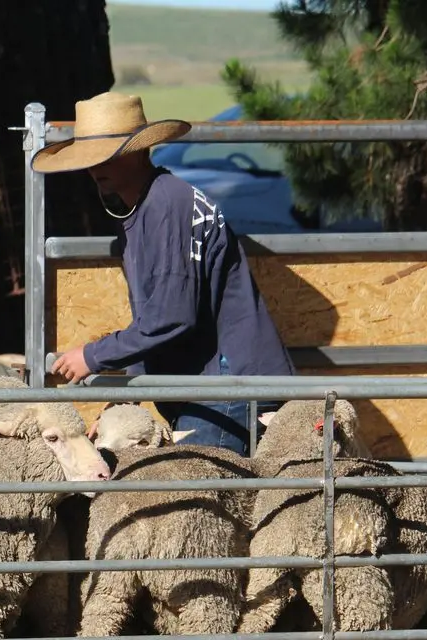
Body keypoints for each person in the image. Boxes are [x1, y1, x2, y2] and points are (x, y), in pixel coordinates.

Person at [36, 91, 295, 456]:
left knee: (198, 505)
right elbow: (154, 319)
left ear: (141, 150)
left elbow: (171, 317)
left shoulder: (166, 206)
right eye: (90, 158)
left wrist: (91, 357)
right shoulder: (145, 210)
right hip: (211, 390)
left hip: (224, 391)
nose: (96, 167)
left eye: (109, 154)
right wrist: (126, 401)